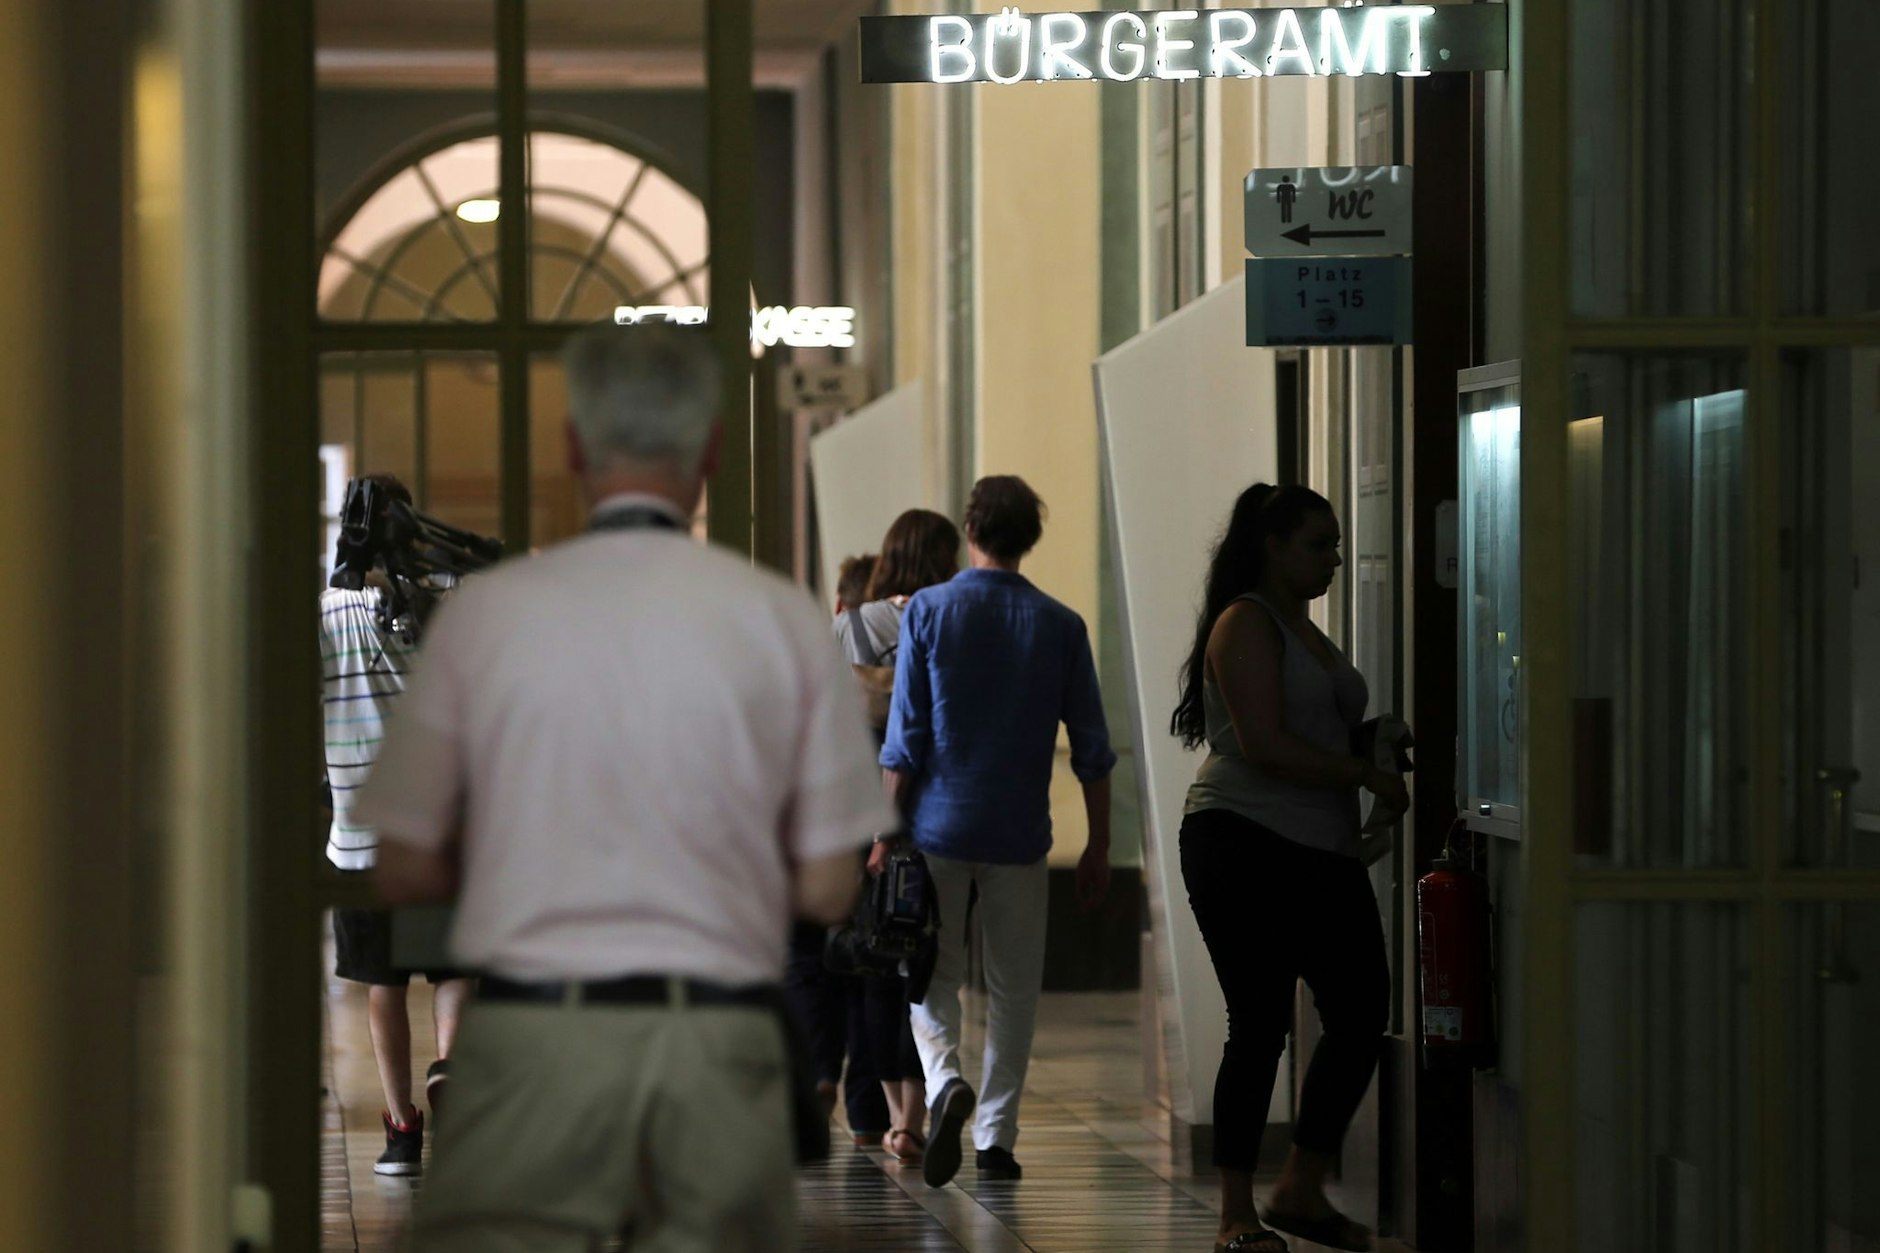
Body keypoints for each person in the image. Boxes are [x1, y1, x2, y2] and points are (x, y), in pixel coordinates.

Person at [354, 322, 892, 1253]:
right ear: (712, 452)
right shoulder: (778, 621)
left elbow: (403, 859)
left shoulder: (494, 616)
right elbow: (830, 885)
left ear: (574, 448)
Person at [1170, 483, 1405, 1253]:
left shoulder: (1306, 630)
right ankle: (1236, 1212)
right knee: (1260, 1020)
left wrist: (1370, 737)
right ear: (1272, 546)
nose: (1335, 558)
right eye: (1319, 543)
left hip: (1315, 842)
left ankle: (1300, 1184)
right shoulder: (1246, 622)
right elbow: (1265, 743)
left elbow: (1310, 725)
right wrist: (1360, 775)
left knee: (1363, 1005)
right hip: (1240, 838)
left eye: (1336, 544)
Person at [880, 476, 1115, 1188]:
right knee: (1015, 988)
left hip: (937, 827)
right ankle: (997, 1137)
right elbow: (1094, 746)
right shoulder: (1061, 624)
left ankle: (946, 1076)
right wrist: (1100, 843)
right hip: (1020, 831)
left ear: (970, 529)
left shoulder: (928, 610)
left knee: (928, 972)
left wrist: (883, 833)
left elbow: (906, 739)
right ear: (1029, 537)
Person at [319, 472, 473, 1177]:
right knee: (449, 972)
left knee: (380, 981)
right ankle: (450, 1068)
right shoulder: (443, 605)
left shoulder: (326, 614)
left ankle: (401, 1131)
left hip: (361, 835)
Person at [835, 510, 962, 1168]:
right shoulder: (950, 619)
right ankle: (922, 1103)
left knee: (871, 964)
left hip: (860, 818)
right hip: (932, 813)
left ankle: (890, 1115)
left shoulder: (847, 628)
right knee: (924, 966)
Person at [783, 548, 891, 1146]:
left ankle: (816, 1074)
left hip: (813, 818)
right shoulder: (903, 647)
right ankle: (869, 1110)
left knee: (802, 957)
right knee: (862, 961)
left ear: (838, 602)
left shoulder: (810, 650)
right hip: (874, 816)